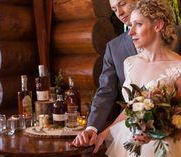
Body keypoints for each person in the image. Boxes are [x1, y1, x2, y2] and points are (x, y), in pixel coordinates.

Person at [71, 0, 181, 148]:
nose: (119, 13)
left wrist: (156, 133)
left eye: (122, 4)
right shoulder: (125, 58)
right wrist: (98, 131)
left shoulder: (177, 62)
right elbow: (113, 97)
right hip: (129, 140)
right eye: (114, 9)